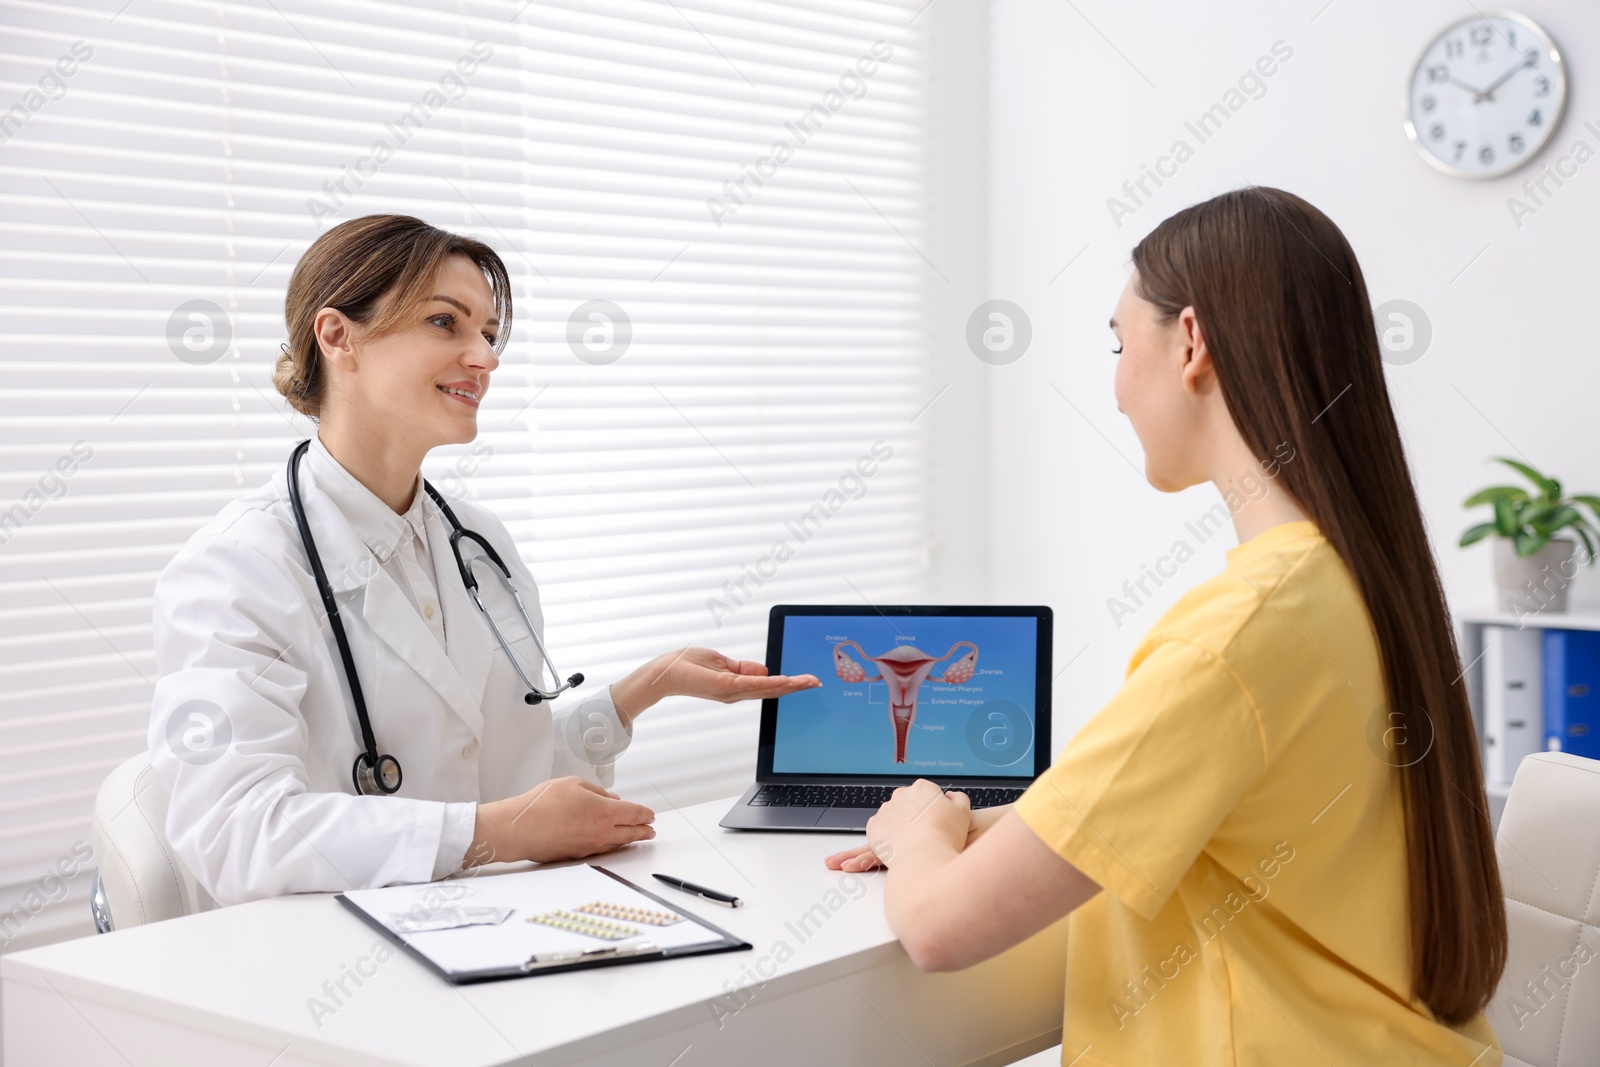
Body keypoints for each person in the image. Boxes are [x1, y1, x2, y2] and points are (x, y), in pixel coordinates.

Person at [825, 188, 1506, 1065]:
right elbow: (1207, 812)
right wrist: (981, 825)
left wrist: (916, 833)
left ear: (1193, 342)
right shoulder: (1352, 581)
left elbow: (939, 929)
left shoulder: (1236, 636)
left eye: (1117, 343)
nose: (1113, 388)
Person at [148, 214, 818, 907]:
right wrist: (499, 834)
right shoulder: (235, 568)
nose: (486, 359)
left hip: (491, 931)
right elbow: (236, 831)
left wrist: (643, 689)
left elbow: (497, 771)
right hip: (329, 959)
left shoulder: (480, 541)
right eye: (447, 323)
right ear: (337, 336)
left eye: (490, 334)